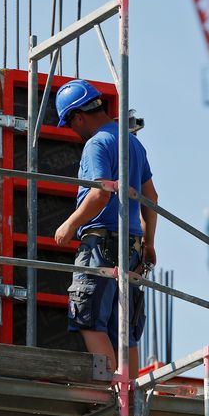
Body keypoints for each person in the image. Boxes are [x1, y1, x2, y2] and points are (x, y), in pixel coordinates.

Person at [53, 79, 158, 378]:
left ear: (78, 117)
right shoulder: (133, 143)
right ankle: (132, 395)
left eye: (72, 124)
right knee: (126, 330)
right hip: (133, 249)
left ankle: (109, 388)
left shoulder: (97, 143)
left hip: (100, 247)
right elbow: (152, 198)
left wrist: (69, 224)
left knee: (88, 320)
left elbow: (100, 192)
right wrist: (149, 242)